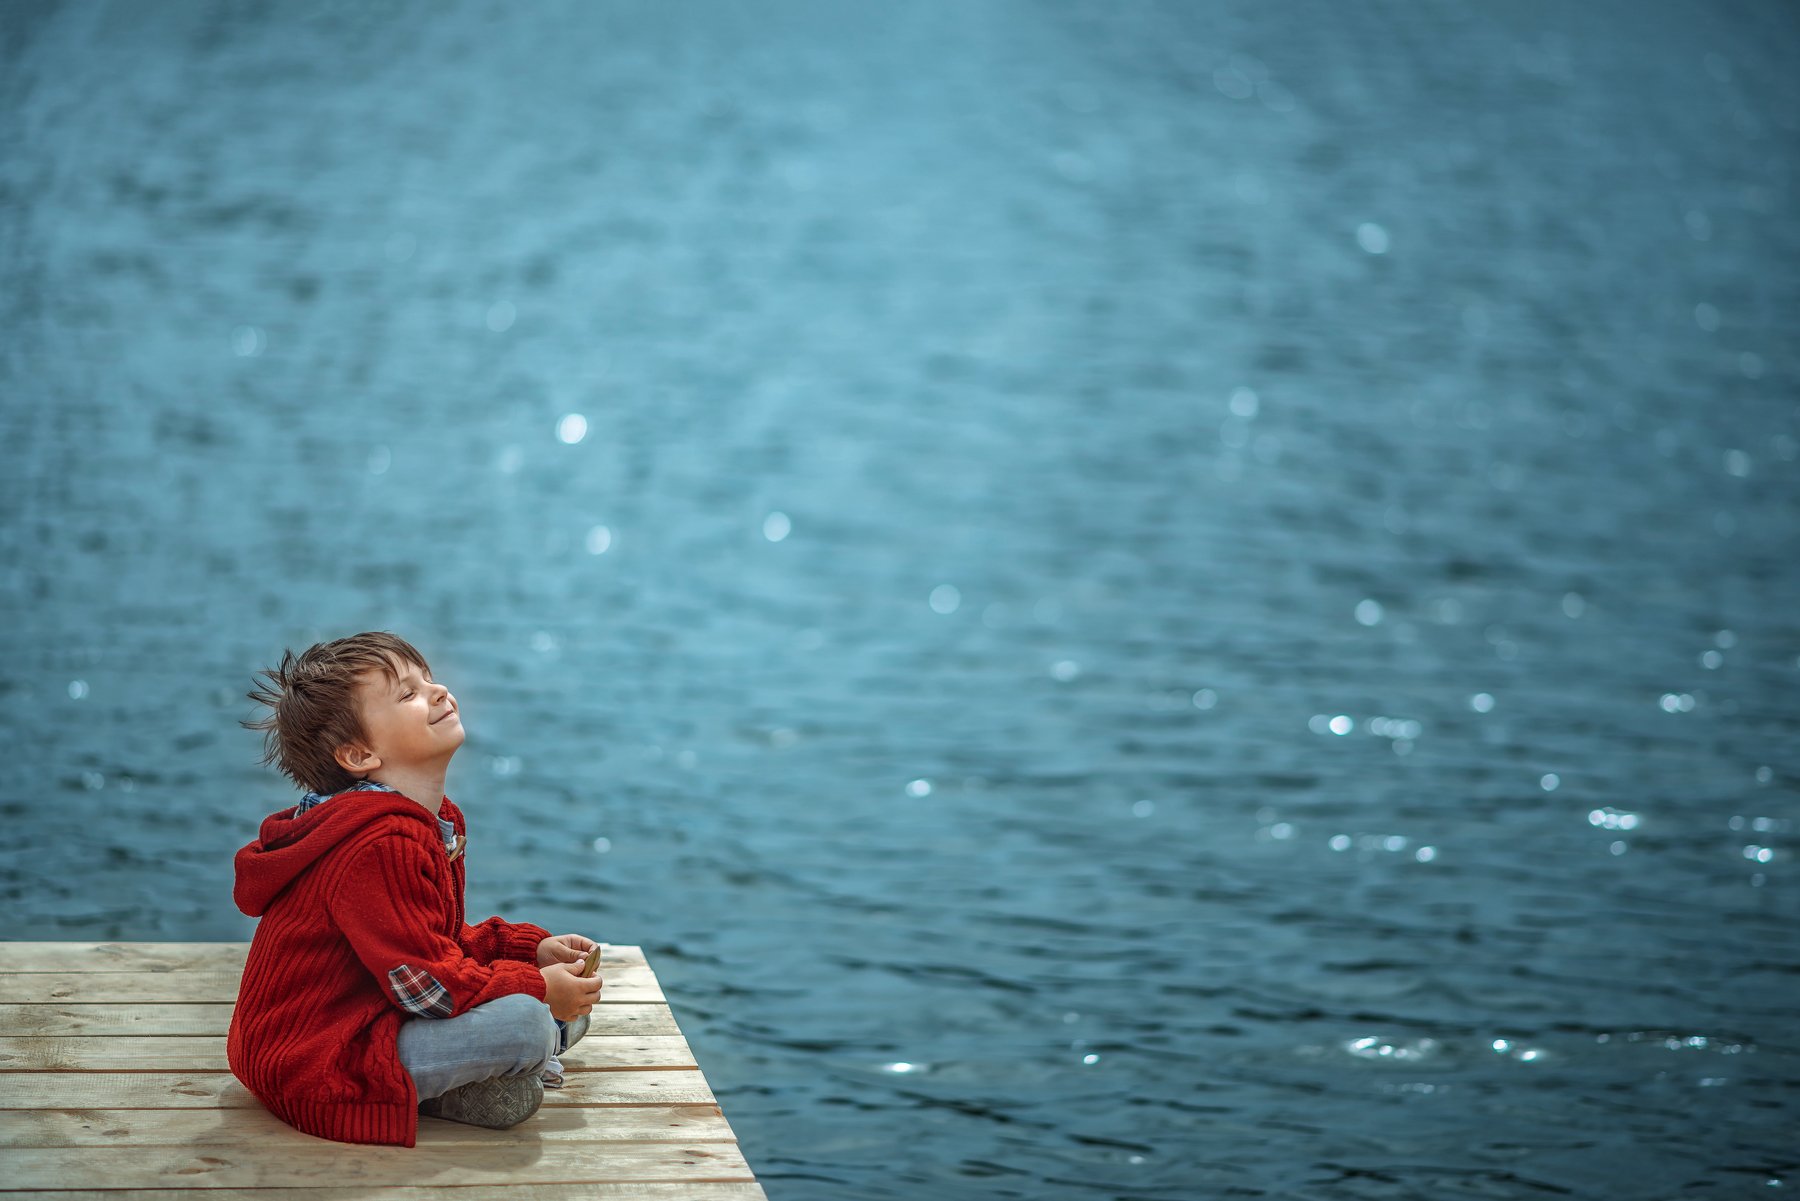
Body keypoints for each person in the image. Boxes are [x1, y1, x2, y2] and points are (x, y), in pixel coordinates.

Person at [227, 630, 604, 1146]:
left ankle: (478, 1077)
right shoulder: (381, 841)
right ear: (359, 755)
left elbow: (433, 941)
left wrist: (528, 951)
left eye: (428, 679)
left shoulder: (431, 822)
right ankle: (463, 1079)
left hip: (363, 1019)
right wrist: (539, 989)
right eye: (408, 694)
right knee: (530, 1024)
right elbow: (428, 987)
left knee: (555, 1012)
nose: (439, 690)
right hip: (316, 1061)